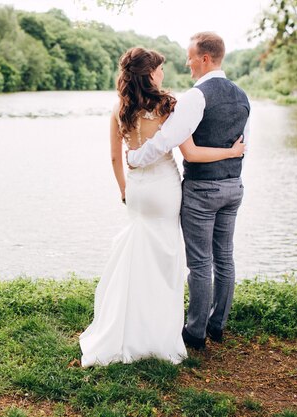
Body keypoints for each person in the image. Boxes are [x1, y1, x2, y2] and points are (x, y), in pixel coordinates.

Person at [79, 46, 245, 367]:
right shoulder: (169, 105)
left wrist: (123, 190)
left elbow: (116, 157)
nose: (163, 73)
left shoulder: (120, 108)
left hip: (138, 188)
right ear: (151, 73)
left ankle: (124, 327)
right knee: (166, 258)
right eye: (160, 68)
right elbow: (191, 153)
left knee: (137, 253)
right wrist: (231, 152)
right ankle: (159, 334)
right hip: (165, 189)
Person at [126, 32, 251, 350]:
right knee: (224, 257)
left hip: (202, 191)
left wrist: (136, 158)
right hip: (233, 187)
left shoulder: (197, 97)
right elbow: (241, 145)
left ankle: (195, 333)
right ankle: (217, 325)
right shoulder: (242, 97)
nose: (187, 62)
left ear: (205, 58)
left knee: (200, 263)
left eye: (191, 56)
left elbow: (168, 140)